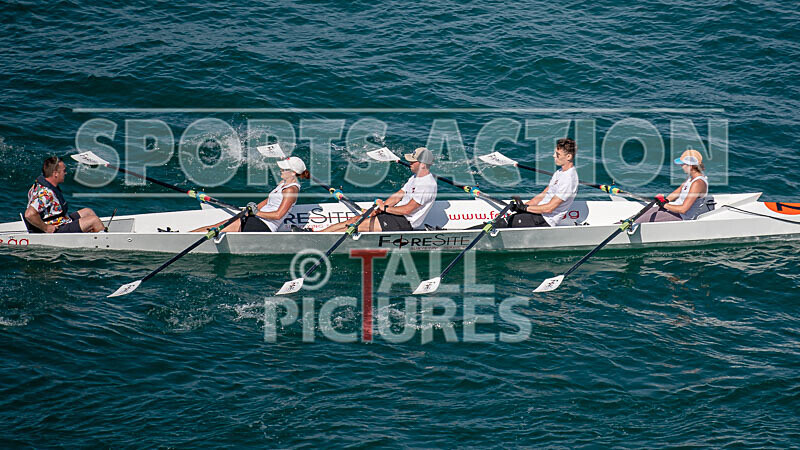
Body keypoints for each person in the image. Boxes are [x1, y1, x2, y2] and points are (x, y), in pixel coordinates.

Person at [318, 147, 438, 232]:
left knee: (355, 226)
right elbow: (398, 195)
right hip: (395, 215)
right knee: (355, 219)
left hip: (404, 222)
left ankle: (320, 240)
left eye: (413, 160)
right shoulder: (415, 177)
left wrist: (384, 208)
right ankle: (319, 234)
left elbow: (407, 210)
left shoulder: (427, 185)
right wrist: (379, 209)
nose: (409, 162)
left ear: (422, 164)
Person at [192, 156, 310, 233]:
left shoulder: (291, 191)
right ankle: (185, 234)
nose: (280, 170)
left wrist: (257, 212)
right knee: (217, 225)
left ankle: (183, 238)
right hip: (257, 217)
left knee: (216, 230)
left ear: (293, 173)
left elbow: (278, 215)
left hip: (264, 225)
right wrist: (252, 209)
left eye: (284, 169)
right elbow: (268, 201)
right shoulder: (284, 182)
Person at [500, 138, 579, 228]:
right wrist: (523, 207)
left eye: (557, 154)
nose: (553, 156)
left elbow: (549, 208)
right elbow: (541, 196)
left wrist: (525, 208)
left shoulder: (568, 180)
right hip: (538, 214)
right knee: (507, 220)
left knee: (505, 223)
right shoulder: (559, 172)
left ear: (568, 156)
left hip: (545, 220)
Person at [24, 156, 104, 233]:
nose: (65, 173)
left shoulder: (40, 184)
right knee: (94, 221)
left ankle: (95, 234)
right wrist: (46, 228)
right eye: (64, 171)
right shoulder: (46, 194)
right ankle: (105, 242)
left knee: (88, 212)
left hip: (61, 220)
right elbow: (29, 214)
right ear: (55, 174)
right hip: (56, 229)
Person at [636, 149, 711, 223]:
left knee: (640, 221)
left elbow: (683, 209)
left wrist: (664, 205)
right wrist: (666, 200)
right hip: (675, 209)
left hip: (682, 216)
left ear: (690, 166)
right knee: (647, 212)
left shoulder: (698, 183)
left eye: (683, 164)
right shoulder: (691, 177)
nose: (681, 166)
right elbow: (679, 190)